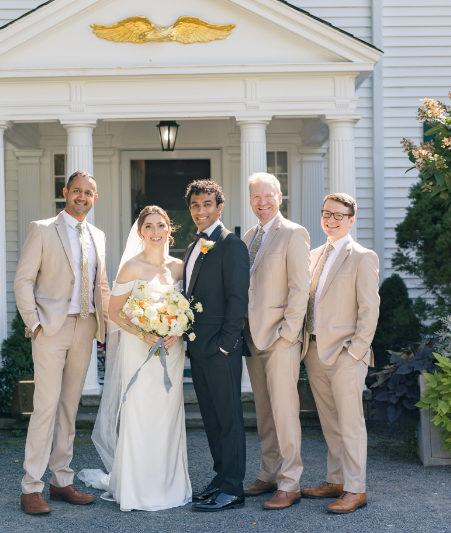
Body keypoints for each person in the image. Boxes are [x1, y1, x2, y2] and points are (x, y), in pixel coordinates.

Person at [78, 205, 192, 511]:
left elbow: (187, 310)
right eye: (149, 227)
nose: (156, 232)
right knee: (140, 414)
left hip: (171, 351)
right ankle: (136, 489)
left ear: (170, 229)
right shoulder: (131, 266)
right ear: (140, 233)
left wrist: (177, 331)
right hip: (139, 349)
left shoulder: (180, 267)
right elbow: (114, 311)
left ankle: (170, 486)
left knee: (168, 417)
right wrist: (143, 334)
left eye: (161, 226)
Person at [13, 170, 111, 515]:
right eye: (77, 191)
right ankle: (31, 487)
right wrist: (35, 325)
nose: (83, 197)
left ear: (94, 199)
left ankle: (61, 481)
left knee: (70, 408)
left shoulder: (98, 235)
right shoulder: (42, 229)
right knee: (45, 407)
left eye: (89, 193)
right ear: (65, 192)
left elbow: (102, 285)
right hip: (50, 330)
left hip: (85, 328)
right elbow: (23, 280)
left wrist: (107, 327)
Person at [300, 193, 379, 514]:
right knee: (330, 422)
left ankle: (355, 489)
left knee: (350, 423)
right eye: (326, 214)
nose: (330, 220)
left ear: (350, 220)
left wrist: (356, 353)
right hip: (314, 350)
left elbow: (369, 310)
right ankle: (335, 480)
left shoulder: (362, 256)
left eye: (338, 215)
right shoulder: (314, 254)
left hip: (347, 354)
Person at [241, 173, 311, 510]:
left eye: (268, 196)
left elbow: (301, 289)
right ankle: (269, 473)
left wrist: (288, 336)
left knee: (285, 413)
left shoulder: (294, 233)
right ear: (250, 200)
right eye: (256, 197)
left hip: (281, 340)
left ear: (279, 197)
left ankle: (291, 481)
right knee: (265, 412)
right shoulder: (249, 236)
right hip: (253, 340)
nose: (262, 202)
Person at [182, 180, 250, 512]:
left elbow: (238, 299)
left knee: (229, 417)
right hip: (197, 346)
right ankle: (220, 476)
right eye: (195, 205)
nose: (201, 210)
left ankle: (234, 488)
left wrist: (227, 344)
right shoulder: (193, 246)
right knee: (210, 417)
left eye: (207, 204)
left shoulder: (231, 244)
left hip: (221, 348)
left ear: (219, 207)